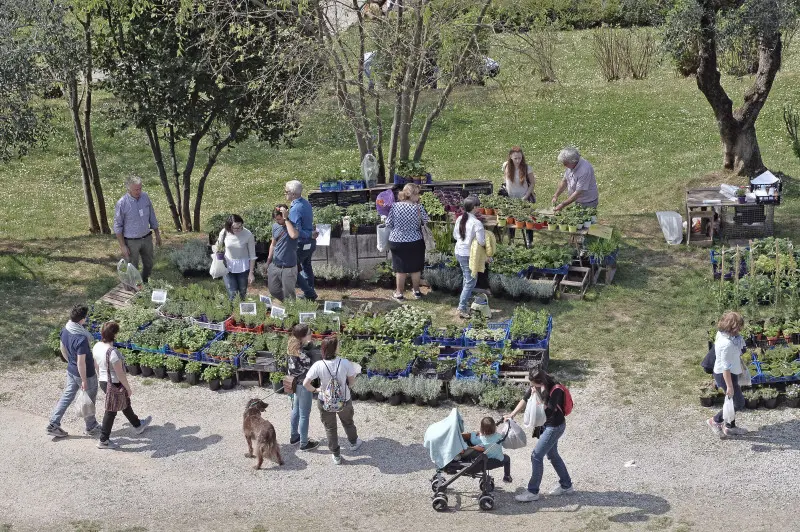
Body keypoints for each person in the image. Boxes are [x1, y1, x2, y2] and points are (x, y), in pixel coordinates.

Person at [505, 369, 573, 502]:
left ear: (541, 382)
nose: (532, 387)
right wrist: (512, 414)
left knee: (536, 456)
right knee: (553, 455)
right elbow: (525, 399)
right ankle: (566, 485)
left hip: (555, 427)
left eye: (534, 385)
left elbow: (549, 410)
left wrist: (540, 396)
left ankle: (533, 491)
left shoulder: (556, 389)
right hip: (547, 426)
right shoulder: (536, 385)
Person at [303, 336, 363, 465]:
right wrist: (345, 386)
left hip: (325, 400)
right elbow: (352, 382)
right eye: (338, 345)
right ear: (334, 348)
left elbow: (305, 384)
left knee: (330, 428)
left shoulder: (318, 365)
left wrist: (317, 390)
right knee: (348, 422)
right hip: (344, 399)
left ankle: (336, 455)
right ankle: (353, 442)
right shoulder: (345, 362)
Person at [93, 321, 152, 449]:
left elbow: (96, 365)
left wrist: (101, 377)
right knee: (111, 410)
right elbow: (120, 374)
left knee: (125, 404)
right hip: (115, 383)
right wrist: (128, 388)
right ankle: (103, 440)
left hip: (104, 381)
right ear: (114, 335)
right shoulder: (113, 352)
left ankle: (137, 425)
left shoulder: (97, 346)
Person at [46, 305, 100, 438]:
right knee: (89, 399)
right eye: (85, 317)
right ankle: (91, 426)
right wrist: (83, 380)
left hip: (71, 370)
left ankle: (53, 423)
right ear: (82, 319)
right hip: (86, 373)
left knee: (67, 396)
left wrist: (70, 362)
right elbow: (81, 362)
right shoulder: (81, 339)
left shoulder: (66, 329)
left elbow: (62, 347)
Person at [114, 175, 162, 283]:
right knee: (132, 267)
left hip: (147, 238)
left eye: (140, 188)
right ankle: (134, 288)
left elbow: (152, 216)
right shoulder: (122, 203)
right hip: (131, 241)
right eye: (136, 189)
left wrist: (157, 235)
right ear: (129, 189)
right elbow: (118, 226)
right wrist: (123, 246)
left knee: (149, 264)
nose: (138, 191)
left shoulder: (145, 197)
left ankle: (145, 283)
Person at [707, 311, 748, 438]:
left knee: (731, 401)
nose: (740, 329)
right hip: (725, 376)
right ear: (733, 327)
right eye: (739, 326)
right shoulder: (727, 344)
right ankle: (715, 421)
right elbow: (726, 368)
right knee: (738, 403)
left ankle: (730, 427)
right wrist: (729, 386)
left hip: (729, 373)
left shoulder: (722, 334)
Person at [386, 183, 428, 300]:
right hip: (415, 240)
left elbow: (388, 223)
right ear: (413, 195)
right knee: (415, 268)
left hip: (397, 240)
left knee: (400, 269)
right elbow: (425, 221)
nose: (419, 196)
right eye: (418, 193)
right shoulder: (418, 208)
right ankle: (417, 291)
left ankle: (399, 293)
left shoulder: (395, 206)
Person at [287, 324, 320, 451]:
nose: (311, 333)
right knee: (304, 414)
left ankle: (294, 436)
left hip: (294, 383)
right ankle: (304, 443)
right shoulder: (301, 352)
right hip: (303, 384)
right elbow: (310, 366)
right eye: (309, 332)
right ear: (304, 336)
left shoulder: (292, 344)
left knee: (296, 409)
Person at [284, 180, 318, 301]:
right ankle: (310, 292)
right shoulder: (306, 203)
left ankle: (309, 293)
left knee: (292, 269)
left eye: (286, 191)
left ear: (293, 194)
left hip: (301, 243)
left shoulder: (295, 209)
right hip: (310, 243)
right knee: (306, 266)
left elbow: (295, 231)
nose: (285, 194)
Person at [453, 197, 485, 319]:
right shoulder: (477, 223)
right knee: (471, 280)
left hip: (459, 252)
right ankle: (461, 307)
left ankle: (465, 300)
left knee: (466, 279)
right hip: (469, 254)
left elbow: (455, 236)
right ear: (474, 208)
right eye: (478, 206)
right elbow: (481, 242)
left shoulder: (460, 218)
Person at [215, 214, 256, 300]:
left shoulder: (248, 234)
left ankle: (240, 312)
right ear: (229, 226)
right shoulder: (224, 232)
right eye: (235, 228)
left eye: (240, 226)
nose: (238, 229)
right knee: (232, 292)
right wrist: (219, 254)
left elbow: (252, 255)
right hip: (228, 266)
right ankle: (233, 311)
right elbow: (218, 248)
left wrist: (251, 273)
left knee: (242, 292)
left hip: (243, 268)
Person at [501, 146, 536, 246]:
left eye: (520, 158)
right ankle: (511, 241)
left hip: (524, 198)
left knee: (527, 220)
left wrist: (525, 196)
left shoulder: (527, 168)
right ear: (510, 156)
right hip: (511, 198)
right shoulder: (506, 165)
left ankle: (530, 242)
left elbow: (532, 183)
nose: (518, 160)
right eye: (515, 158)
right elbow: (505, 180)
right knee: (511, 220)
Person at [266, 204, 299, 302]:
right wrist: (268, 261)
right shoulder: (275, 226)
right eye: (276, 219)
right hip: (275, 265)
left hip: (288, 268)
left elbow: (293, 235)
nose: (277, 221)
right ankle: (287, 303)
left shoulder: (294, 225)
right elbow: (273, 244)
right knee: (273, 290)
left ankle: (291, 309)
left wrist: (286, 219)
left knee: (289, 293)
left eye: (279, 219)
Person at [466, 417, 512, 483]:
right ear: (494, 427)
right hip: (499, 460)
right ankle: (507, 477)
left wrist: (474, 433)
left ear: (481, 428)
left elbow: (472, 440)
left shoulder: (480, 439)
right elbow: (493, 437)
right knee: (507, 458)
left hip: (485, 462)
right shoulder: (499, 436)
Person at [553, 147, 599, 212]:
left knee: (587, 220)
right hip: (578, 200)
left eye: (565, 163)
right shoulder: (571, 165)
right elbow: (565, 181)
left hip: (588, 202)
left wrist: (562, 205)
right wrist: (556, 195)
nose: (564, 165)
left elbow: (578, 193)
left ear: (573, 161)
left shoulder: (584, 170)